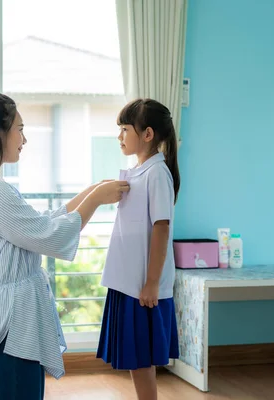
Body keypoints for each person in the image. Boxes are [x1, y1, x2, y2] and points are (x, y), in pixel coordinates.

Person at [0, 92, 129, 399]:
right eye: (19, 129)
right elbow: (50, 235)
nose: (24, 138)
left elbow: (39, 225)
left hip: (13, 320)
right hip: (12, 324)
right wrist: (96, 199)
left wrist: (92, 191)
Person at [97, 99, 181, 400]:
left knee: (142, 359)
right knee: (136, 359)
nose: (120, 136)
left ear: (147, 134)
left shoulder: (157, 174)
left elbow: (161, 228)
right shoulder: (138, 171)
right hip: (128, 280)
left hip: (142, 285)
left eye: (124, 129)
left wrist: (152, 283)